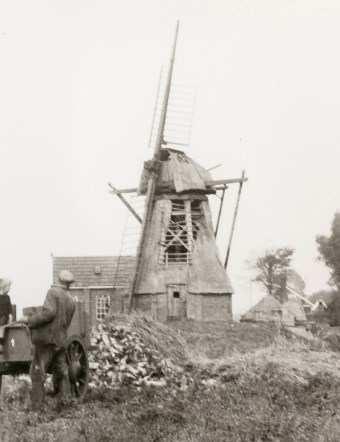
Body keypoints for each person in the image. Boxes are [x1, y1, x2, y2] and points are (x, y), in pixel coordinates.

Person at [19, 270, 76, 410]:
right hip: (61, 340)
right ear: (69, 283)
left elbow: (49, 313)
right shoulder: (70, 299)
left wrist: (29, 320)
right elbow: (67, 321)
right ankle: (66, 403)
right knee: (62, 371)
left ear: (59, 280)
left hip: (47, 341)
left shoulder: (53, 292)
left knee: (37, 372)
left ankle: (37, 408)